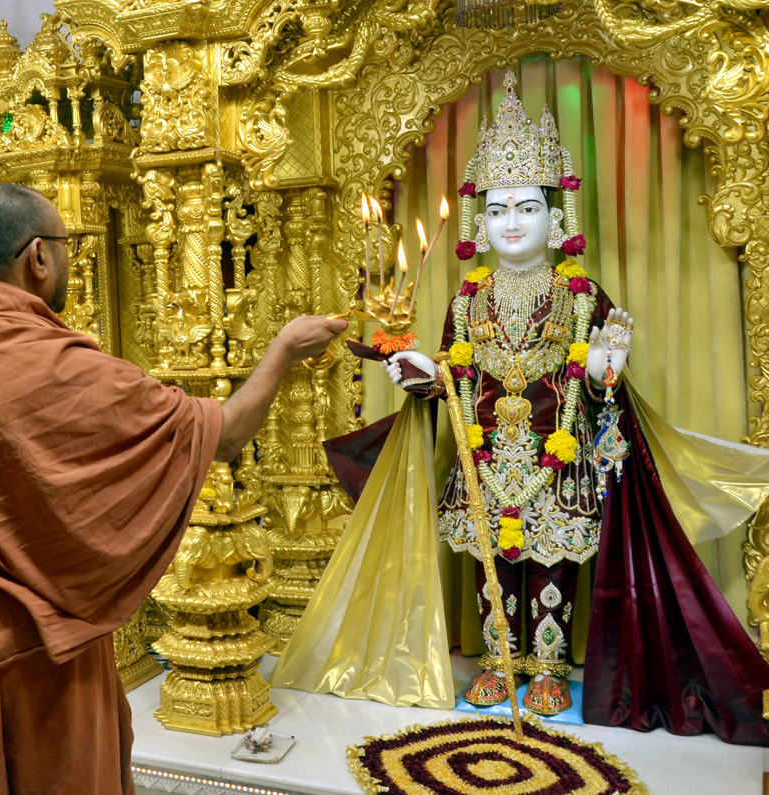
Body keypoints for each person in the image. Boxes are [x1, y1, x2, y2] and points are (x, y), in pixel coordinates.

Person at [274, 70, 769, 743]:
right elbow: (453, 373)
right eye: (499, 209)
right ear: (479, 222)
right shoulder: (466, 299)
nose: (512, 222)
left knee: (552, 565)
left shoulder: (580, 294)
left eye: (527, 208)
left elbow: (603, 382)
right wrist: (424, 374)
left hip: (556, 462)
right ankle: (498, 661)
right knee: (492, 564)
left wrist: (606, 365)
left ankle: (549, 665)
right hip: (482, 461)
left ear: (555, 218)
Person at [0, 182, 346, 794]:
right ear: (38, 257)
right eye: (67, 247)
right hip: (50, 659)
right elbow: (221, 436)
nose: (70, 261)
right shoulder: (62, 367)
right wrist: (283, 351)